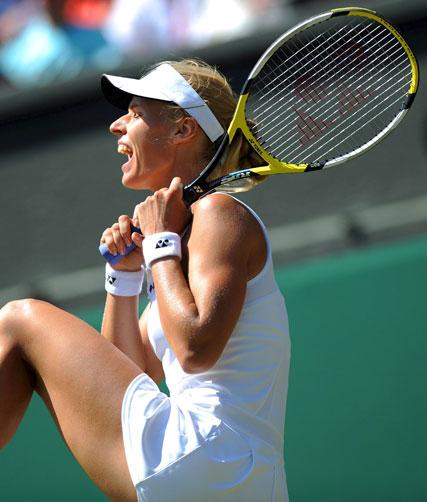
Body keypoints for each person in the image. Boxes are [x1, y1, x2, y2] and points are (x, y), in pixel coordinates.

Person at [0, 59, 291, 501]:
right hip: (230, 477)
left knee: (19, 320)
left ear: (183, 129)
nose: (116, 125)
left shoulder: (219, 213)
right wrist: (124, 274)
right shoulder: (185, 236)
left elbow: (196, 349)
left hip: (208, 456)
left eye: (135, 114)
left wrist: (158, 243)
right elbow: (126, 377)